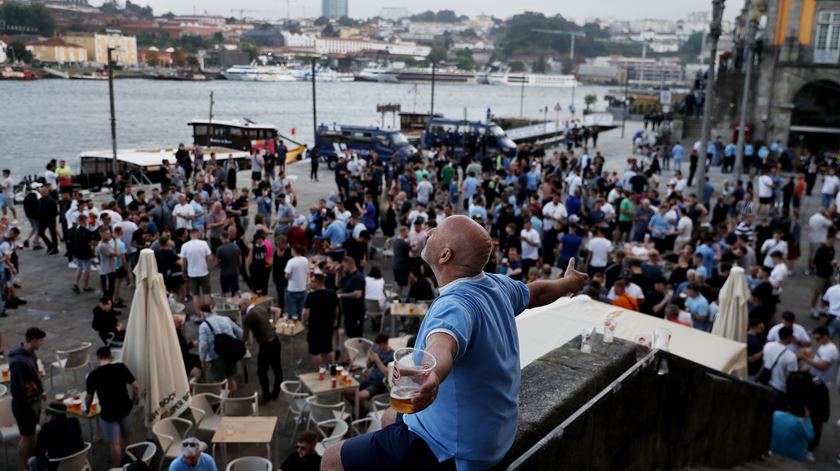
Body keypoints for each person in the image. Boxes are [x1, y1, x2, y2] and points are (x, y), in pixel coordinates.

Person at [323, 215, 588, 471]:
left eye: (435, 231)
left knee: (333, 458)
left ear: (445, 255)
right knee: (388, 418)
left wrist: (432, 376)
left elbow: (442, 345)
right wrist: (568, 282)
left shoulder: (453, 305)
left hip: (458, 451)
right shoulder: (497, 285)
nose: (428, 233)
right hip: (494, 436)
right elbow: (537, 292)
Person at [86, 346, 139, 466]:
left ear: (98, 358)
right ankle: (134, 463)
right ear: (111, 356)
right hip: (125, 408)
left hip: (108, 413)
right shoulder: (120, 367)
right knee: (129, 436)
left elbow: (89, 397)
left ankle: (116, 468)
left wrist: (87, 408)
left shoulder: (93, 375)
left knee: (115, 444)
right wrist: (133, 400)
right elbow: (136, 386)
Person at [10, 327, 48, 471]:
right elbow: (16, 391)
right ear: (32, 340)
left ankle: (30, 464)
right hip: (25, 405)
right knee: (27, 438)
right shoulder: (18, 362)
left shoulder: (30, 353)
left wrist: (41, 390)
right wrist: (27, 409)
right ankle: (22, 467)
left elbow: (34, 375)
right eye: (40, 340)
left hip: (34, 400)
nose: (42, 342)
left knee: (31, 436)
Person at [240, 294, 284, 402]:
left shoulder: (248, 317)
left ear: (245, 304)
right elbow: (278, 310)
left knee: (261, 371)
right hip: (275, 341)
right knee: (276, 368)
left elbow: (244, 337)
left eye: (240, 306)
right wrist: (274, 324)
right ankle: (276, 392)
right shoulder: (260, 307)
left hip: (265, 345)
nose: (239, 309)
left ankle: (266, 395)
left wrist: (241, 346)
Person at [343, 333, 394, 413]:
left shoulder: (391, 356)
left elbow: (388, 374)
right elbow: (368, 365)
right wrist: (369, 360)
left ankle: (360, 412)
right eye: (378, 345)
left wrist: (377, 360)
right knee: (346, 391)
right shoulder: (377, 349)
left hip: (379, 384)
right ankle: (361, 410)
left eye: (381, 345)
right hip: (369, 379)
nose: (379, 348)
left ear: (386, 343)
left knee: (359, 397)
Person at [27, 402, 85, 471]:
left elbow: (39, 453)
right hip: (78, 463)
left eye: (47, 415)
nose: (46, 417)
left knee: (31, 461)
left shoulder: (47, 427)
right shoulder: (74, 421)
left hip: (58, 467)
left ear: (53, 416)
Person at [198, 307, 243, 394]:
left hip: (216, 355)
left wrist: (202, 359)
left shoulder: (203, 326)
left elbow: (203, 345)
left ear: (203, 314)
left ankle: (221, 404)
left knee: (217, 381)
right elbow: (240, 333)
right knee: (231, 378)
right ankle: (232, 399)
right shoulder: (226, 319)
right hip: (231, 353)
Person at [303, 273, 339, 369]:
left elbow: (306, 312)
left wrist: (305, 323)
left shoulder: (311, 296)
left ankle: (319, 371)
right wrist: (335, 319)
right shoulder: (332, 293)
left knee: (316, 351)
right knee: (328, 348)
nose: (311, 283)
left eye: (312, 281)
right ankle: (333, 369)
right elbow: (337, 309)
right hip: (328, 325)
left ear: (317, 282)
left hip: (315, 327)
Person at [180, 229, 214, 319]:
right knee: (207, 294)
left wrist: (183, 272)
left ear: (190, 234)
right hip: (204, 272)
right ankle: (208, 315)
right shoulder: (204, 244)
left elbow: (183, 261)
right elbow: (210, 258)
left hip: (192, 274)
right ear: (198, 234)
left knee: (196, 295)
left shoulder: (185, 246)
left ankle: (199, 316)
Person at [336, 256, 366, 339]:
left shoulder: (358, 277)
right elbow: (338, 284)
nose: (343, 268)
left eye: (344, 266)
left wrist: (342, 295)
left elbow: (358, 294)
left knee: (356, 336)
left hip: (356, 311)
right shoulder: (349, 275)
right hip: (348, 311)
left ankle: (357, 351)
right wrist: (338, 272)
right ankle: (352, 351)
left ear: (349, 265)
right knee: (350, 334)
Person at [761, 326, 798, 393]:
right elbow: (791, 376)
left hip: (764, 381)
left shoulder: (768, 345)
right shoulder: (791, 356)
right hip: (779, 387)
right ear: (789, 337)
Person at [285, 244, 309, 319]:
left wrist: (287, 276)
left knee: (292, 313)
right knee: (300, 312)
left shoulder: (291, 261)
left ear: (294, 251)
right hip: (302, 289)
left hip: (292, 290)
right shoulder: (305, 260)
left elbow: (287, 275)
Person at [215, 231, 241, 296]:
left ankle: (227, 303)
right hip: (235, 271)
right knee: (235, 289)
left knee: (226, 290)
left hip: (224, 273)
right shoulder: (236, 247)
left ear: (221, 237)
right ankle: (236, 303)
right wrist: (238, 267)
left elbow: (217, 261)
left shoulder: (219, 249)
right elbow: (240, 260)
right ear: (228, 237)